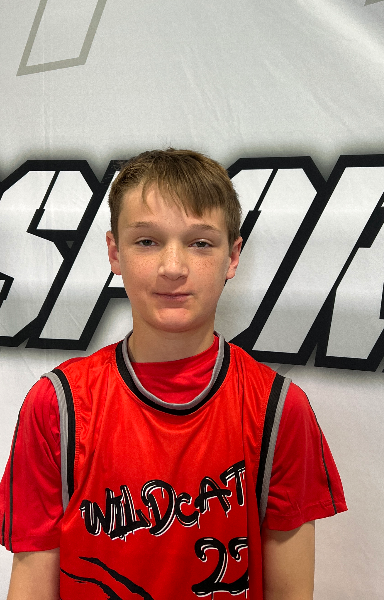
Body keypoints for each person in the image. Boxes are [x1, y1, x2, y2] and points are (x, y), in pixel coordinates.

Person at [0, 149, 347, 600]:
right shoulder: (58, 406)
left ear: (233, 256)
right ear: (115, 252)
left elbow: (292, 592)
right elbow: (30, 586)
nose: (173, 268)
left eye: (200, 243)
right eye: (147, 241)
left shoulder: (278, 410)